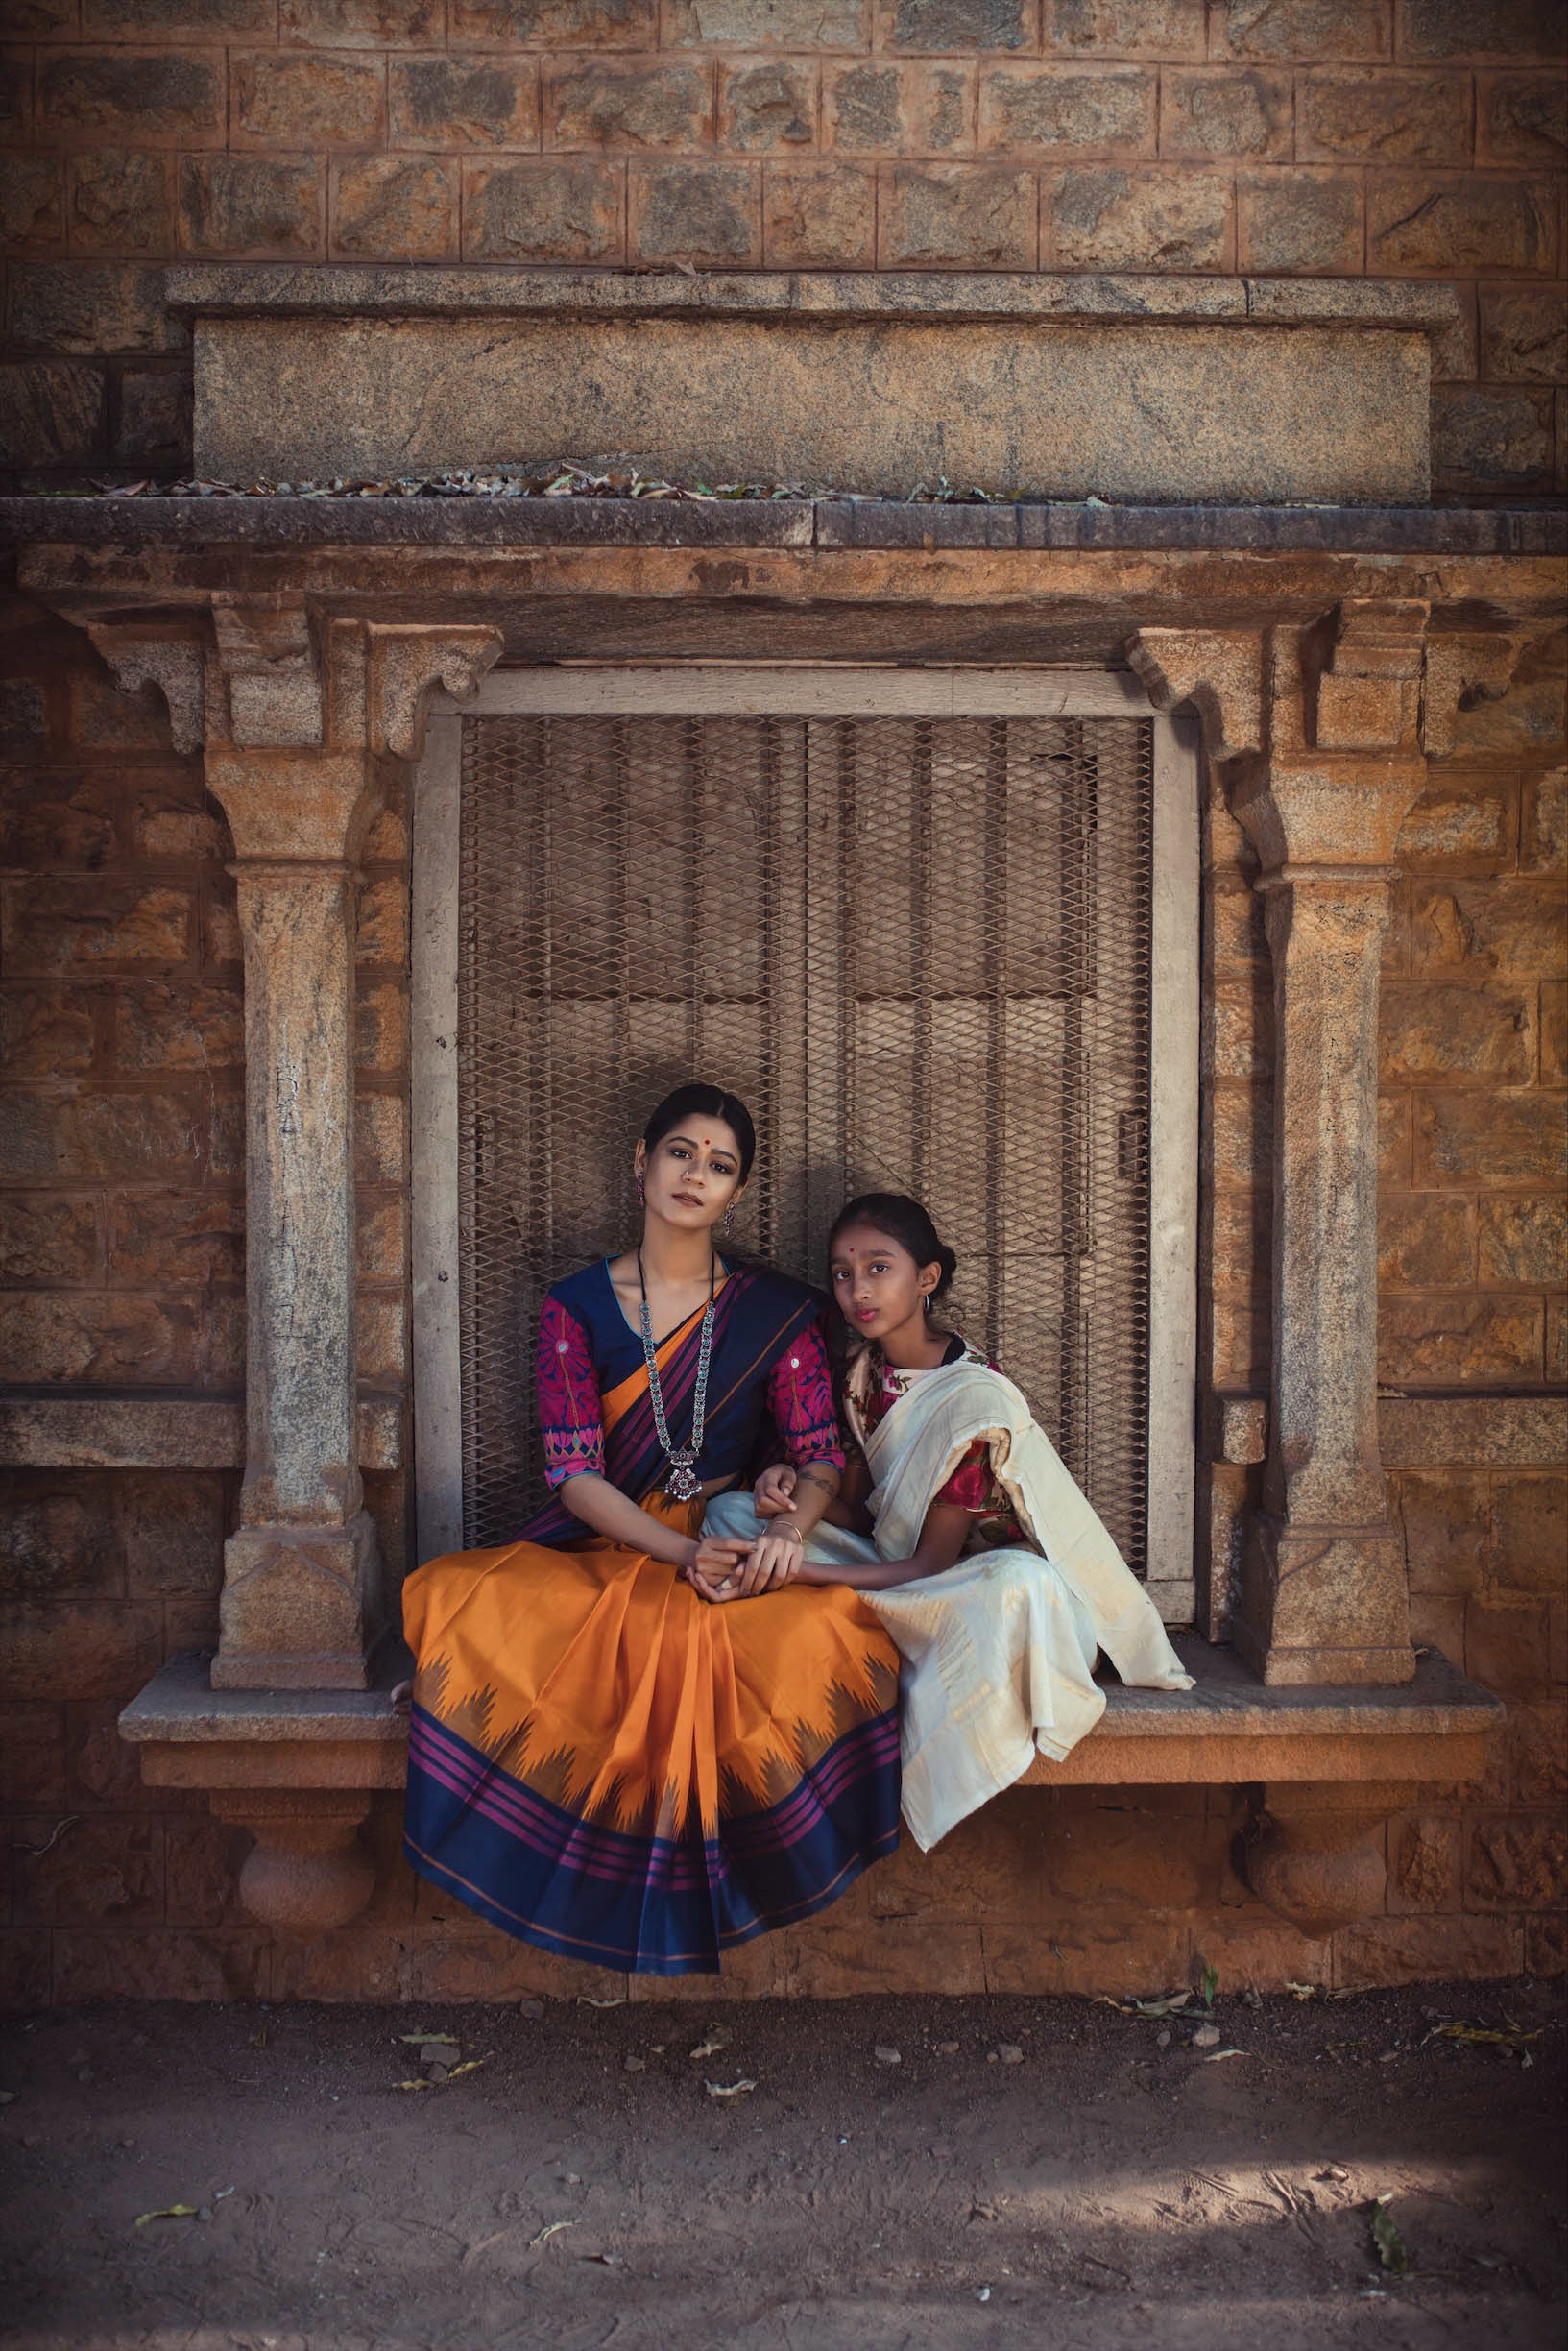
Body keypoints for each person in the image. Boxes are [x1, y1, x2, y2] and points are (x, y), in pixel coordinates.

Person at [401, 1086, 902, 1977]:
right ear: (641, 1161)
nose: (695, 1175)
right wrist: (679, 1552)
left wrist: (790, 1533)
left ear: (735, 1193)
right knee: (454, 1594)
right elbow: (574, 1473)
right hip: (615, 1541)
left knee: (822, 1633)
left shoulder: (776, 1310)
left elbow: (820, 1455)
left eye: (720, 1166)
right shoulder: (576, 1307)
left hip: (736, 1539)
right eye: (681, 1152)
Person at [702, 1193, 1193, 1851]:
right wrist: (786, 1493)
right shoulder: (860, 1375)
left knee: (1018, 1583)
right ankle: (836, 1616)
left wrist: (793, 1570)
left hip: (974, 1591)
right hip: (896, 1574)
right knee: (731, 1512)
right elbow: (863, 1514)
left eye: (879, 1268)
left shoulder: (971, 1402)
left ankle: (840, 1623)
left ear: (926, 1278)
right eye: (843, 1274)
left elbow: (928, 1565)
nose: (857, 1290)